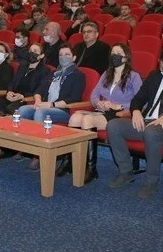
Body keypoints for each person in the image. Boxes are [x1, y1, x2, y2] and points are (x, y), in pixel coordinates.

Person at [107, 47, 163, 199]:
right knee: (113, 125)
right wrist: (136, 111)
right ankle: (126, 171)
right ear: (159, 63)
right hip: (147, 121)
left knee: (151, 132)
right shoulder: (154, 75)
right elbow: (138, 99)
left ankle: (151, 181)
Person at [61, 43, 142, 183]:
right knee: (74, 118)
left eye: (118, 53)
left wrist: (118, 105)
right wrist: (98, 103)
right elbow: (94, 95)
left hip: (120, 114)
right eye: (113, 53)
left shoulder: (134, 77)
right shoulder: (106, 74)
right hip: (102, 110)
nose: (114, 56)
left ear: (126, 57)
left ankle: (90, 168)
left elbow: (141, 101)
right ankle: (70, 161)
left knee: (87, 120)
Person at [19, 44, 85, 170]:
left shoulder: (78, 75)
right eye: (61, 55)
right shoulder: (53, 73)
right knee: (22, 110)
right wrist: (38, 100)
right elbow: (39, 90)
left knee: (40, 113)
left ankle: (39, 155)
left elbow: (74, 98)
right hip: (45, 105)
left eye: (67, 55)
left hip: (63, 110)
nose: (63, 57)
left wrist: (51, 104)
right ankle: (25, 147)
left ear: (74, 58)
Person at [0, 43, 50, 115]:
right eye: (30, 50)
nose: (31, 53)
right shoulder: (22, 66)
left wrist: (22, 96)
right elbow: (13, 82)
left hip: (26, 99)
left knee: (11, 107)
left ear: (41, 55)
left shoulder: (44, 70)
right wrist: (9, 91)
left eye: (35, 51)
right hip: (14, 96)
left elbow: (40, 90)